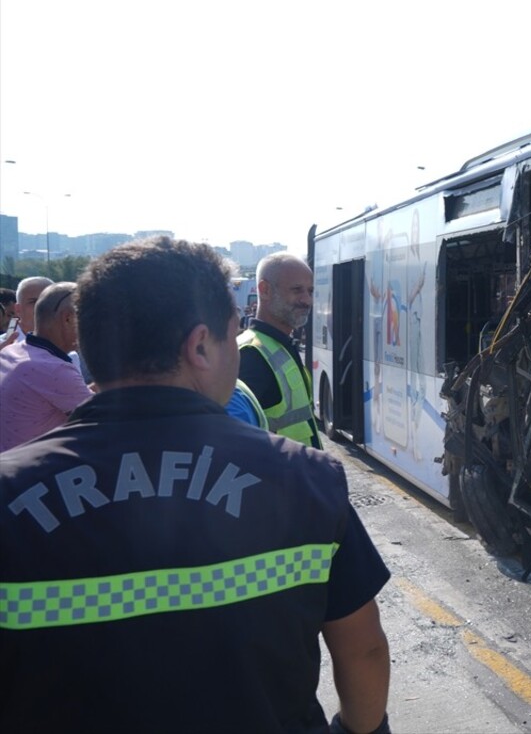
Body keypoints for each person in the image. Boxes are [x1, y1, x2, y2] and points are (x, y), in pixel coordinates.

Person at [0, 237, 391, 732]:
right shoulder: (309, 479)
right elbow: (365, 649)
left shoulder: (10, 492)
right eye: (234, 334)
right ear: (201, 345)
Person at [238, 252, 322, 449]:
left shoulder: (281, 345)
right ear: (264, 290)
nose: (307, 300)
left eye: (310, 291)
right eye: (296, 290)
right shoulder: (250, 355)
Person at [0, 282, 92, 452]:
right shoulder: (54, 369)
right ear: (68, 318)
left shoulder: (12, 352)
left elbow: (74, 393)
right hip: (32, 474)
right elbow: (108, 417)